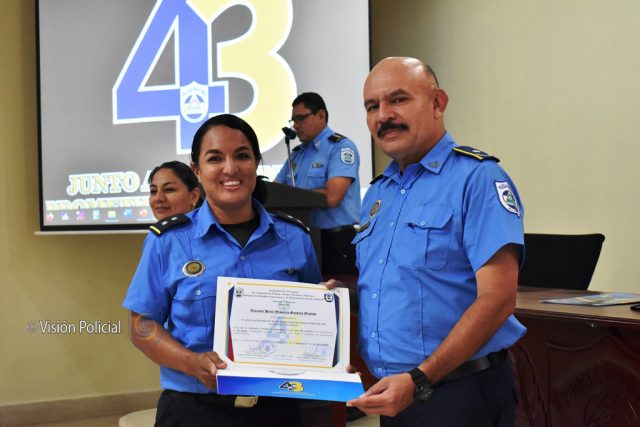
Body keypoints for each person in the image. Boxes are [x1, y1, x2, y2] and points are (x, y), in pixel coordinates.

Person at [348, 57, 526, 426]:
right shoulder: (378, 194)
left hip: (459, 395)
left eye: (398, 100)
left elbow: (498, 299)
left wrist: (420, 379)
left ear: (437, 103)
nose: (384, 115)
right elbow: (392, 286)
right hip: (396, 394)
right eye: (372, 106)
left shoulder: (478, 178)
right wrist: (335, 301)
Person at [123, 114, 322, 426]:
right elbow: (141, 326)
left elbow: (313, 324)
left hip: (277, 408)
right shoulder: (168, 241)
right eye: (215, 158)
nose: (230, 169)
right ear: (197, 171)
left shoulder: (294, 237)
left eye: (242, 156)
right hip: (194, 410)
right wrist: (190, 362)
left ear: (256, 163)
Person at [275, 92, 362, 273]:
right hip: (302, 239)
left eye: (301, 118)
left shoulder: (340, 147)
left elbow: (332, 197)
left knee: (338, 290)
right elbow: (275, 193)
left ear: (321, 116)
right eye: (293, 120)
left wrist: (295, 198)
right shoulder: (296, 154)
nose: (296, 125)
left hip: (336, 242)